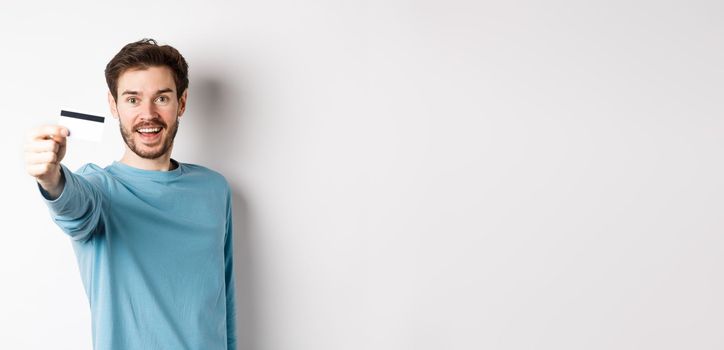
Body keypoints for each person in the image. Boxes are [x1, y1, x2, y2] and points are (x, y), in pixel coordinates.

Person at [24, 38, 237, 350]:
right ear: (114, 106)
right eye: (133, 100)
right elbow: (73, 207)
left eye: (161, 98)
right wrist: (50, 177)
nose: (147, 114)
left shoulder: (214, 189)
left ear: (182, 103)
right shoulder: (97, 187)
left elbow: (225, 302)